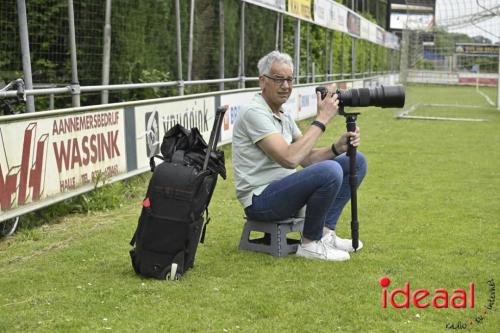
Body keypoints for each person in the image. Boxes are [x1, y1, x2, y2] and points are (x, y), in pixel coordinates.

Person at [232, 50, 367, 261]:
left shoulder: (282, 114)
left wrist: (336, 148)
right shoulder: (253, 112)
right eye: (278, 79)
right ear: (262, 81)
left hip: (284, 191)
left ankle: (324, 233)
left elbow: (306, 158)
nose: (285, 86)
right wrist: (322, 118)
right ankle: (310, 243)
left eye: (289, 79)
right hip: (260, 201)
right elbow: (290, 159)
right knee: (330, 170)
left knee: (355, 161)